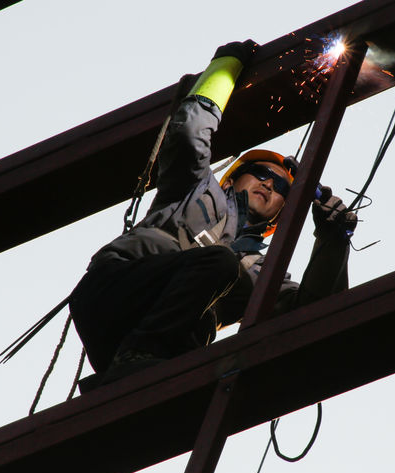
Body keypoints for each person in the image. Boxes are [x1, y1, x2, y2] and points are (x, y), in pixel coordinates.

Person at [69, 40, 357, 390]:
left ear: (283, 212)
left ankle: (130, 374)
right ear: (233, 177)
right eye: (262, 175)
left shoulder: (258, 271)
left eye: (282, 189)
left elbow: (311, 311)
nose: (270, 186)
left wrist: (332, 238)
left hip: (162, 352)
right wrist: (226, 66)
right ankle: (139, 355)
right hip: (114, 293)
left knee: (221, 275)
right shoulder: (194, 187)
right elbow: (189, 136)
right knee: (219, 263)